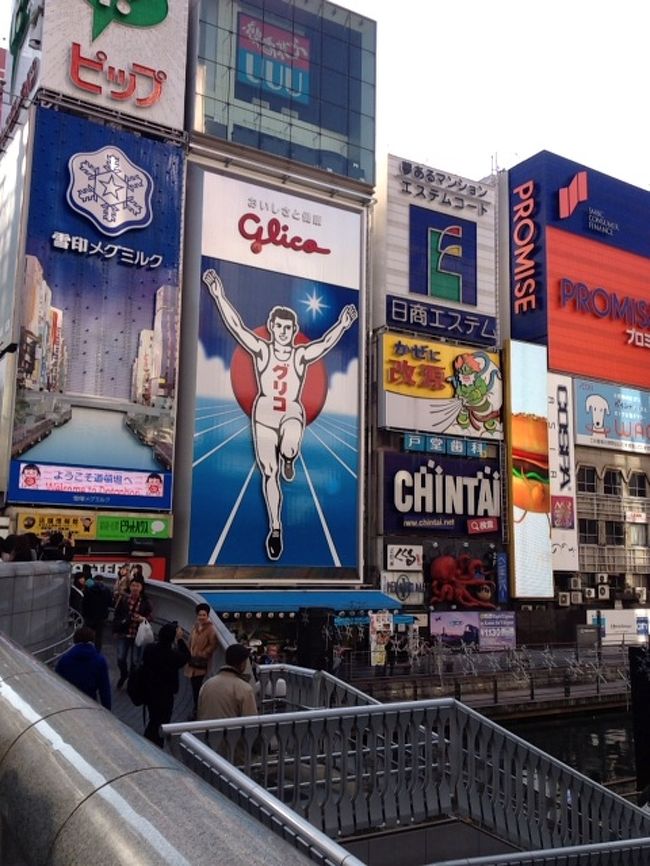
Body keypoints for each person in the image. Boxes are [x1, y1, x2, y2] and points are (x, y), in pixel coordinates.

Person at [202, 268, 357, 561]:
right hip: (263, 414)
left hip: (291, 413)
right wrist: (218, 293)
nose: (284, 332)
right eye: (279, 327)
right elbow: (236, 327)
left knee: (290, 445)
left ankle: (290, 457)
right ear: (272, 327)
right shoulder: (262, 350)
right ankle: (275, 527)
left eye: (289, 328)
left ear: (293, 330)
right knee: (268, 473)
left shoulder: (299, 355)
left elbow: (323, 345)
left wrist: (343, 324)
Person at [141, 622, 190, 747]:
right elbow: (186, 656)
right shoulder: (173, 655)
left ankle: (150, 743)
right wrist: (180, 640)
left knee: (153, 718)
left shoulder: (150, 649)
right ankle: (153, 745)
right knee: (160, 722)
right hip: (165, 694)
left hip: (149, 689)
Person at [197, 643, 257, 722]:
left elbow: (200, 713)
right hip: (231, 733)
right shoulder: (245, 689)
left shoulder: (207, 685)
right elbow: (251, 723)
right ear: (242, 664)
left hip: (206, 732)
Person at [55, 625, 111, 709]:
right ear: (92, 640)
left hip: (67, 703)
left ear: (75, 640)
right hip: (89, 703)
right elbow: (104, 690)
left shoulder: (65, 659)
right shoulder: (99, 661)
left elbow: (56, 682)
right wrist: (107, 710)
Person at [112, 577, 152, 688]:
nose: (135, 588)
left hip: (137, 634)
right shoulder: (124, 600)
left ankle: (132, 681)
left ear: (141, 588)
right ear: (130, 587)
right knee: (120, 658)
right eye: (133, 585)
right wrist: (115, 630)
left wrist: (143, 618)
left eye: (137, 586)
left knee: (136, 661)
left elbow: (150, 616)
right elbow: (117, 615)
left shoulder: (145, 602)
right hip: (123, 633)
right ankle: (124, 674)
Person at [184, 602, 219, 719]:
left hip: (201, 664)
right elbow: (190, 641)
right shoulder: (195, 626)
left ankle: (197, 711)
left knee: (198, 688)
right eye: (200, 615)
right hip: (192, 662)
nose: (201, 617)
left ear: (208, 616)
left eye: (204, 615)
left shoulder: (211, 629)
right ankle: (196, 709)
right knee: (194, 687)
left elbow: (213, 645)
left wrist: (202, 654)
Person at [82, 572, 112, 650]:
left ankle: (88, 650)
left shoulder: (88, 590)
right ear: (103, 581)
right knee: (99, 636)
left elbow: (84, 603)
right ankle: (97, 651)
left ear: (94, 580)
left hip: (89, 616)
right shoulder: (107, 590)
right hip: (101, 617)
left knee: (88, 635)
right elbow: (109, 603)